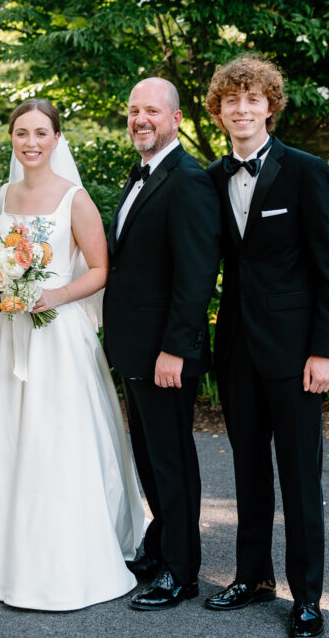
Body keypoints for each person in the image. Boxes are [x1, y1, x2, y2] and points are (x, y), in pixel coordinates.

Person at [0, 99, 145, 611]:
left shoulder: (75, 199)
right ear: (12, 139)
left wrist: (53, 296)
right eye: (21, 133)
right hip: (6, 336)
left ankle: (56, 563)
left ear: (56, 138)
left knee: (53, 441)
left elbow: (98, 269)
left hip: (55, 333)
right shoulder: (0, 196)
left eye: (41, 133)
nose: (30, 142)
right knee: (3, 439)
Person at [202, 55, 329, 638]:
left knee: (299, 478)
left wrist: (324, 351)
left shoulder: (306, 171)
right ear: (218, 110)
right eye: (231, 100)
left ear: (270, 106)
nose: (241, 109)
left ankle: (306, 597)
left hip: (294, 355)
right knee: (248, 472)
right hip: (235, 347)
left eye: (252, 99)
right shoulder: (209, 178)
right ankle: (252, 575)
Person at [103, 77, 221, 611]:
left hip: (166, 354)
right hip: (136, 348)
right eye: (133, 110)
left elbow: (196, 278)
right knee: (150, 455)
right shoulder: (143, 175)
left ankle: (183, 570)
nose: (140, 119)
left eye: (151, 110)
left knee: (171, 458)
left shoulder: (188, 180)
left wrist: (175, 350)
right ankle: (161, 544)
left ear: (174, 118)